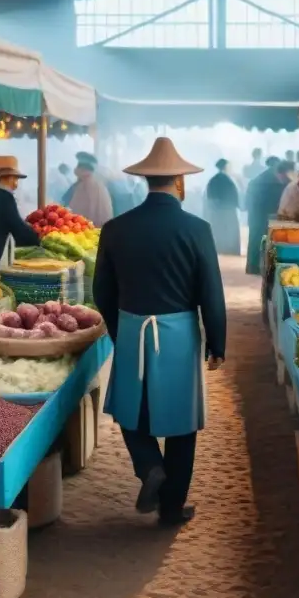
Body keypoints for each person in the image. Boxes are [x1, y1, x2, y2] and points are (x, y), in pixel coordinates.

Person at [93, 137, 226, 527]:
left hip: (133, 329)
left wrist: (120, 330)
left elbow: (101, 290)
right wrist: (216, 343)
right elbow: (211, 292)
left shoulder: (115, 228)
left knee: (130, 411)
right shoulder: (197, 229)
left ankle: (150, 464)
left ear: (145, 180)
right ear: (179, 181)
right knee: (183, 424)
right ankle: (171, 508)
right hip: (180, 334)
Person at [245, 158, 290, 275]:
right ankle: (263, 268)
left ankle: (253, 267)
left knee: (255, 241)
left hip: (256, 216)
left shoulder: (258, 179)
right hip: (264, 216)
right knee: (267, 242)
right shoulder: (273, 180)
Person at [65, 152, 114, 226]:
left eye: (78, 166)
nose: (76, 170)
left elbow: (76, 211)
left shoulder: (86, 185)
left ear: (83, 169)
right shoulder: (96, 184)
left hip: (88, 229)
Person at [205, 159, 241, 255]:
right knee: (229, 232)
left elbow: (209, 197)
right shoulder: (228, 180)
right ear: (226, 167)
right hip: (228, 210)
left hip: (217, 211)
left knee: (219, 232)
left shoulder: (213, 180)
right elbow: (234, 195)